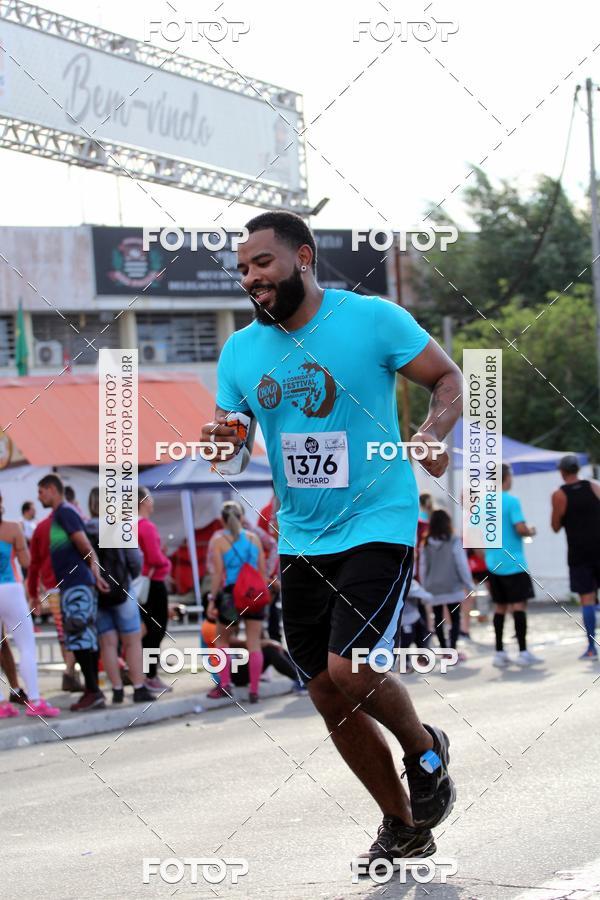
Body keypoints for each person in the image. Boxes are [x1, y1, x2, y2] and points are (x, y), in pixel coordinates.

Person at [201, 210, 462, 866]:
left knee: (353, 668)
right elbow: (232, 439)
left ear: (303, 257)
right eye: (242, 269)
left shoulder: (370, 318)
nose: (251, 278)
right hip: (302, 536)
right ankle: (403, 824)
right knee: (323, 689)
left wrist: (433, 432)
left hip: (378, 519)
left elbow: (448, 379)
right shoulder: (240, 351)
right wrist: (221, 440)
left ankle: (424, 747)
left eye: (262, 263)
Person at [38, 473, 109, 711]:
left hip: (78, 583)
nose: (39, 497)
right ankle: (92, 690)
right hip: (74, 584)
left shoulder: (65, 513)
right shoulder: (62, 514)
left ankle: (93, 691)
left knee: (80, 635)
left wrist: (95, 575)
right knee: (79, 636)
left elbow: (85, 545)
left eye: (41, 491)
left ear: (52, 489)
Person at [85, 489, 155, 704]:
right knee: (132, 641)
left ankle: (116, 690)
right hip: (122, 591)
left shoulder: (83, 529)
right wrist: (127, 577)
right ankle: (139, 687)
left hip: (98, 592)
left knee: (107, 643)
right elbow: (135, 560)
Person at [0, 491, 59, 719]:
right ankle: (34, 699)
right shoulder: (14, 528)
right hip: (11, 589)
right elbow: (27, 562)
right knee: (26, 645)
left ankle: (3, 704)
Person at [206, 500, 267, 703]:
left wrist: (212, 600)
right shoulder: (254, 539)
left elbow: (217, 575)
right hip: (253, 594)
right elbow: (262, 571)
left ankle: (225, 684)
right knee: (254, 643)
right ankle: (255, 690)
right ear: (242, 518)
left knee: (222, 640)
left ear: (222, 521)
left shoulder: (219, 542)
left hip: (231, 595)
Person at [485, 464, 541, 668]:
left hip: (493, 562)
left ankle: (499, 652)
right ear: (506, 477)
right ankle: (523, 651)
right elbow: (520, 528)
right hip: (514, 562)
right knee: (519, 606)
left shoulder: (484, 502)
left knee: (499, 607)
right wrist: (531, 530)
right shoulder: (512, 500)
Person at [27, 511, 82, 693]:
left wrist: (33, 593)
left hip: (52, 587)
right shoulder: (74, 520)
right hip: (74, 584)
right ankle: (70, 672)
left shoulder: (40, 527)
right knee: (76, 629)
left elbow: (34, 563)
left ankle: (70, 673)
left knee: (62, 633)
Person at [551, 454, 600, 659]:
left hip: (579, 553)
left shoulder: (559, 495)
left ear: (562, 472)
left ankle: (592, 647)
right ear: (577, 469)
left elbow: (555, 526)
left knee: (587, 599)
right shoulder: (594, 486)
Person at [419, 510, 473, 660]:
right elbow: (461, 563)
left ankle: (444, 651)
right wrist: (468, 583)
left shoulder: (426, 542)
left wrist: (424, 587)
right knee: (455, 618)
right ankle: (453, 650)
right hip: (452, 585)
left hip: (433, 587)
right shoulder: (454, 540)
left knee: (438, 618)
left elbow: (423, 567)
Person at [137, 488, 173, 694]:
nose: (153, 502)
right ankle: (150, 675)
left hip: (140, 583)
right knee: (156, 629)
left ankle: (144, 673)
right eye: (150, 498)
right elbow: (154, 558)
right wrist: (164, 560)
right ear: (143, 501)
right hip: (153, 583)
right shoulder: (147, 527)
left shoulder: (129, 526)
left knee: (145, 629)